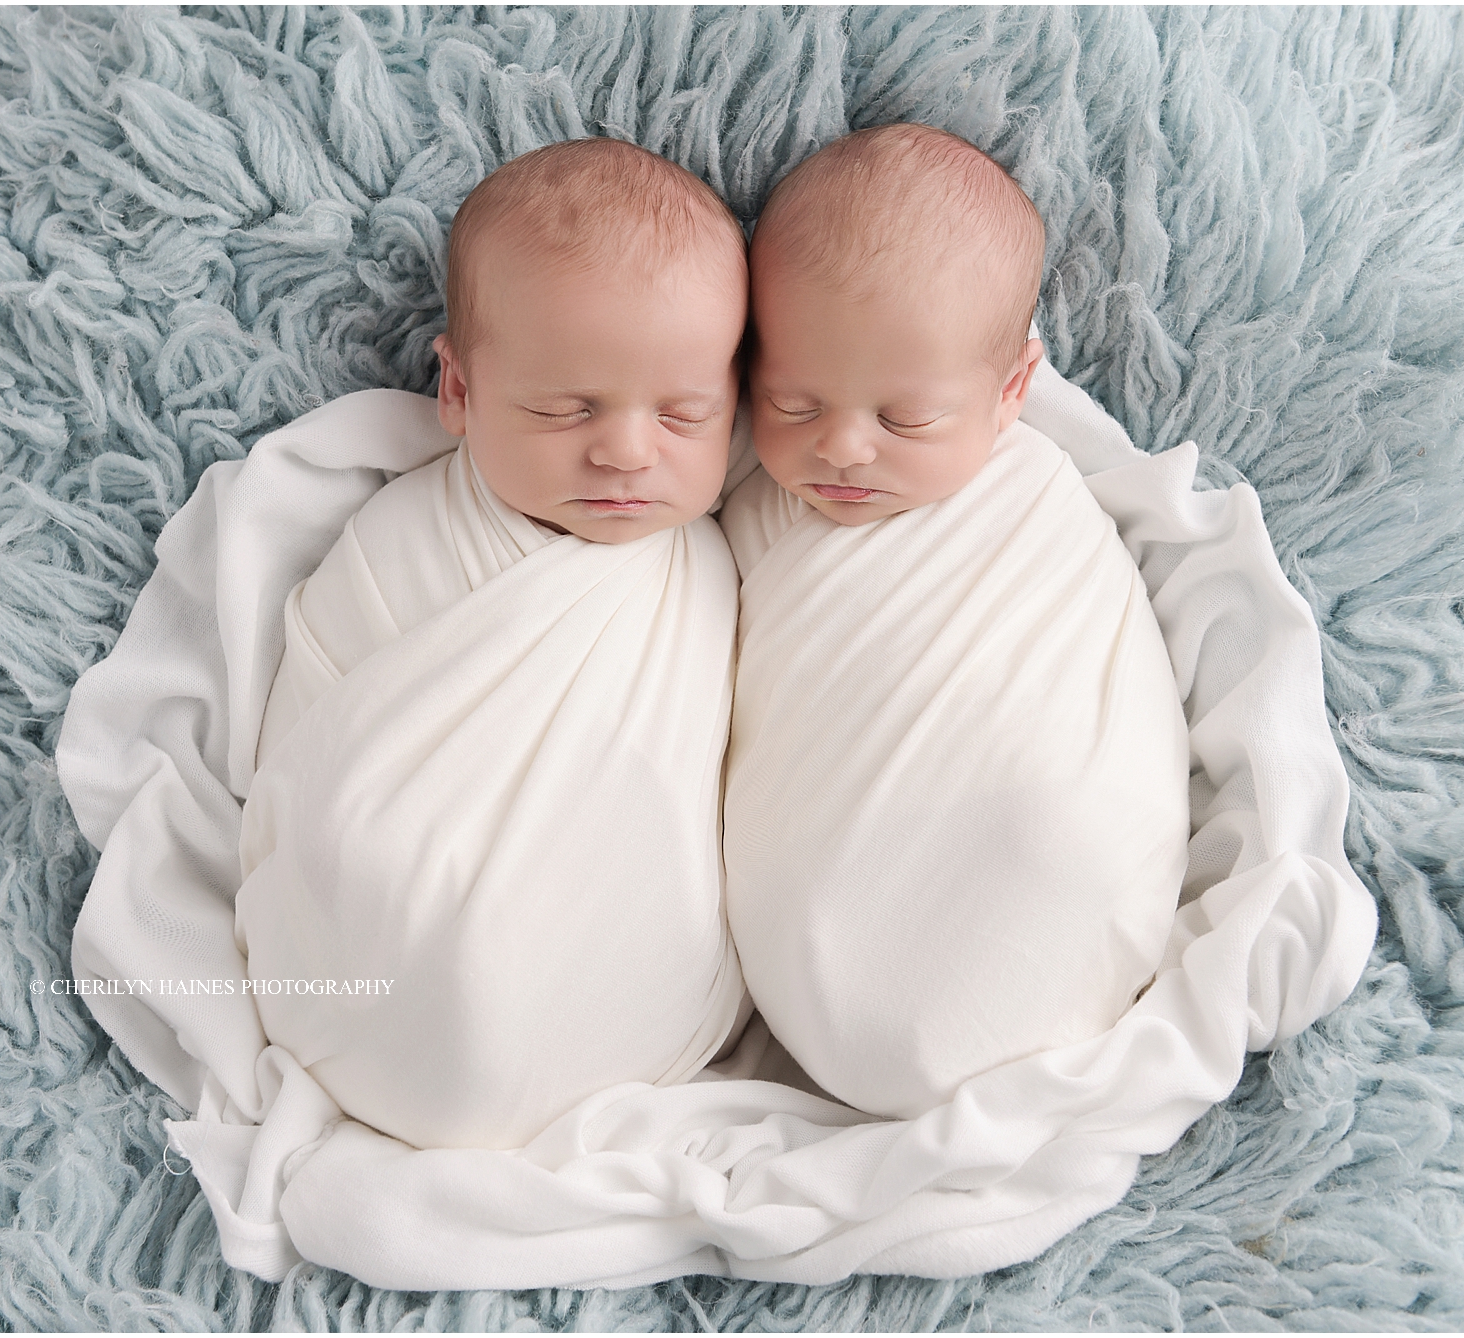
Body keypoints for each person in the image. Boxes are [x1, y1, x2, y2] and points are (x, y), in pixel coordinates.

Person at [235, 137, 751, 1150]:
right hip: (379, 958)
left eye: (684, 415)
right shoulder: (394, 541)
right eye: (564, 409)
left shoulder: (712, 564)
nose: (624, 450)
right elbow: (313, 748)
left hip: (623, 997)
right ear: (460, 392)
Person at [720, 123, 1193, 1119]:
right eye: (792, 403)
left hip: (1041, 820)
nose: (843, 450)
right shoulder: (745, 501)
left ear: (1010, 393)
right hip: (839, 902)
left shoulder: (1032, 496)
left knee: (1053, 821)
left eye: (903, 421)